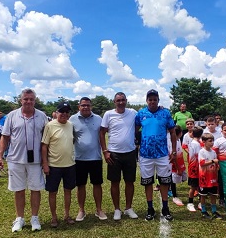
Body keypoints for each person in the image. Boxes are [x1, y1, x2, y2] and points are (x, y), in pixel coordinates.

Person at [0, 88, 49, 232]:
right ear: (21, 100)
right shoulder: (12, 116)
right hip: (15, 159)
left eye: (31, 99)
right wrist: (0, 157)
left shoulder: (42, 116)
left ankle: (34, 218)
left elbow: (46, 139)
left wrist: (46, 161)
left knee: (35, 189)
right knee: (18, 189)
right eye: (26, 99)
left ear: (35, 100)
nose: (28, 101)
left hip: (36, 160)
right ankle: (19, 218)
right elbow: (5, 137)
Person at [135, 89, 177, 221]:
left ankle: (165, 208)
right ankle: (150, 209)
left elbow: (173, 132)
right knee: (148, 183)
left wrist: (174, 150)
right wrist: (137, 145)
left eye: (155, 99)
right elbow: (135, 130)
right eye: (150, 99)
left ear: (158, 100)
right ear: (146, 100)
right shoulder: (141, 113)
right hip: (145, 155)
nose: (152, 101)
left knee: (164, 182)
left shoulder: (165, 113)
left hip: (162, 154)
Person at [99, 92, 139, 220]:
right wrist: (105, 151)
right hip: (114, 153)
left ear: (126, 100)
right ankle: (117, 209)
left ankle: (128, 208)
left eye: (123, 100)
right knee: (115, 182)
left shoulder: (133, 112)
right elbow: (102, 132)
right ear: (114, 102)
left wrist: (160, 108)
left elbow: (144, 117)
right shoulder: (108, 114)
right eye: (118, 100)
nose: (121, 102)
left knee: (130, 182)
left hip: (130, 152)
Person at [70, 97, 107, 221]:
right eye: (83, 105)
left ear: (91, 106)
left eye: (88, 105)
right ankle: (81, 210)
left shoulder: (98, 119)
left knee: (97, 184)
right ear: (78, 106)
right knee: (81, 185)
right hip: (79, 159)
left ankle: (99, 210)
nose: (86, 107)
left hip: (95, 158)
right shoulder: (72, 119)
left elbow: (103, 135)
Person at [41, 102, 76, 227]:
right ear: (56, 113)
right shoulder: (49, 126)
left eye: (67, 112)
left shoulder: (71, 125)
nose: (64, 114)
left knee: (68, 191)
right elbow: (44, 146)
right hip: (54, 165)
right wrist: (45, 164)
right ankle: (54, 217)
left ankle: (67, 215)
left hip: (69, 164)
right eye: (62, 111)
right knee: (53, 192)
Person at [198, 132, 222, 219]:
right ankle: (203, 210)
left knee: (213, 194)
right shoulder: (202, 152)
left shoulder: (214, 152)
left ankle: (214, 210)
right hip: (204, 177)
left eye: (213, 141)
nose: (212, 143)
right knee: (203, 195)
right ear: (204, 141)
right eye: (210, 141)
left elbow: (216, 163)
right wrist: (212, 161)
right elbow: (202, 163)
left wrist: (217, 166)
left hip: (213, 177)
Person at [185, 126, 203, 212]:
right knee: (193, 187)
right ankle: (190, 203)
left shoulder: (198, 143)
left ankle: (200, 202)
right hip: (194, 168)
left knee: (200, 186)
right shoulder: (195, 144)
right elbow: (198, 156)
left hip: (198, 167)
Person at [168, 126, 186, 206]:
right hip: (173, 165)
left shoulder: (177, 140)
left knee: (175, 179)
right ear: (180, 133)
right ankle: (174, 196)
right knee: (172, 179)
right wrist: (178, 169)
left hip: (178, 164)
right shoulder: (172, 142)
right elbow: (173, 157)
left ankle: (170, 191)